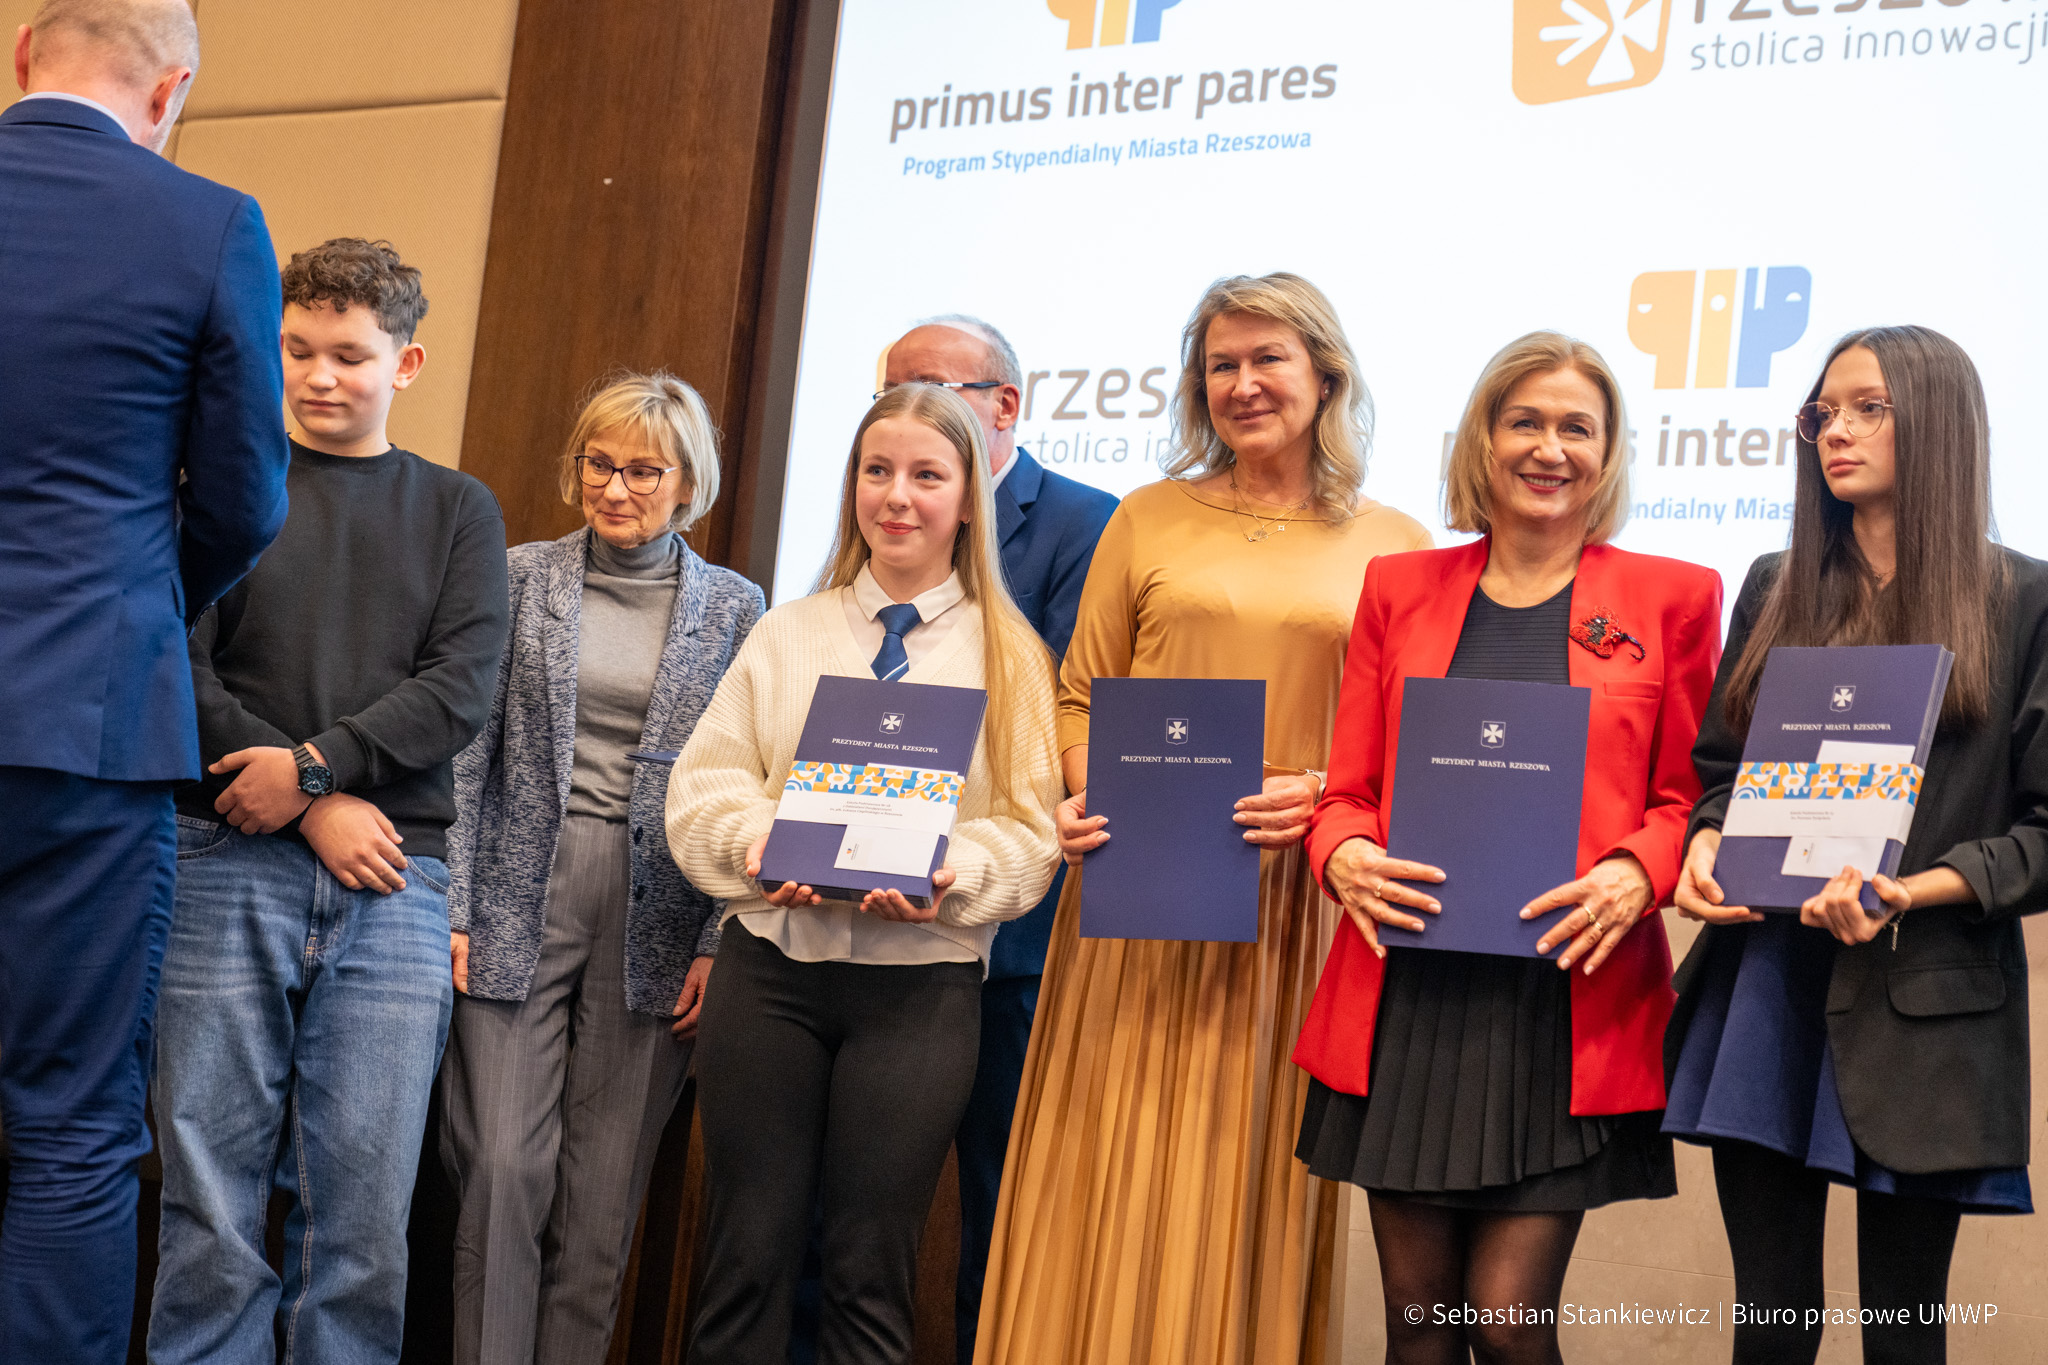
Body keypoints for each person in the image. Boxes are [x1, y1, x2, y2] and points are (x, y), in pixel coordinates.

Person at [976, 273, 1431, 1365]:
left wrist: (1322, 792)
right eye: (1221, 364)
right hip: (1133, 893)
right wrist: (1087, 793)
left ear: (1325, 374)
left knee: (1244, 1175)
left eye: (1268, 358)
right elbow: (1078, 695)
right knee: (1100, 1163)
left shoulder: (1397, 540)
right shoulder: (1147, 514)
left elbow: (1409, 739)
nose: (1242, 383)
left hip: (1289, 903)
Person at [1289, 333, 1721, 1363]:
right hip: (1410, 997)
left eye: (1577, 427)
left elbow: (1693, 796)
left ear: (1608, 451)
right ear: (1482, 438)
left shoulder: (1674, 596)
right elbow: (1346, 794)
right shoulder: (1398, 587)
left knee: (1507, 1324)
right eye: (1523, 421)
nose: (1548, 448)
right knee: (1417, 1328)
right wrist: (1339, 853)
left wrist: (1638, 869)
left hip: (1558, 1002)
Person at [147, 239, 510, 1365]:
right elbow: (176, 664)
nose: (317, 375)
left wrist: (314, 771)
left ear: (405, 364)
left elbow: (460, 688)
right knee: (209, 1194)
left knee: (362, 1212)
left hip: (395, 879)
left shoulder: (458, 509)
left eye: (348, 355)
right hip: (222, 858)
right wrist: (312, 802)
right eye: (295, 349)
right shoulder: (216, 496)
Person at [1663, 325, 2048, 1365]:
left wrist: (1910, 890)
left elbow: (2043, 832)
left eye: (1867, 408)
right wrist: (1705, 845)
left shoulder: (2025, 600)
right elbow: (1720, 774)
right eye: (1823, 412)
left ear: (1937, 422)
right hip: (1768, 987)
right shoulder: (1772, 584)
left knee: (1903, 1333)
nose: (1836, 431)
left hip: (1926, 1001)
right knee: (1770, 1323)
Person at [0, 4, 288, 1361]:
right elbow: (244, 499)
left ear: (21, 57)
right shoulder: (207, 223)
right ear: (170, 91)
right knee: (72, 1125)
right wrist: (132, 606)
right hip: (91, 725)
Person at [668, 383, 1061, 1365]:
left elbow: (1030, 834)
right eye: (876, 471)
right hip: (770, 980)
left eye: (927, 475)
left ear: (967, 499)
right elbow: (702, 788)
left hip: (918, 994)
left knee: (868, 1272)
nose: (897, 496)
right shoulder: (786, 632)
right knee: (743, 1260)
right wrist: (761, 843)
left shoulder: (1011, 654)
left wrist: (952, 871)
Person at [437, 372, 765, 1365]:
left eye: (643, 471)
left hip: (659, 911)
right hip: (513, 898)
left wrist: (717, 938)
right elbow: (467, 753)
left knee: (602, 1197)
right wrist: (451, 904)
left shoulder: (736, 607)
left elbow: (749, 778)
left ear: (687, 484)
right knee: (500, 1169)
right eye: (599, 464)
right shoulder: (517, 575)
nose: (615, 488)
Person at [874, 317, 1117, 1365]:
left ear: (1004, 404)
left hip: (1009, 934)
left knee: (997, 1202)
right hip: (864, 915)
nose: (905, 413)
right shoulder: (880, 517)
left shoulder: (1088, 523)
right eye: (888, 392)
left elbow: (1054, 704)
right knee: (851, 1209)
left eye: (931, 387)